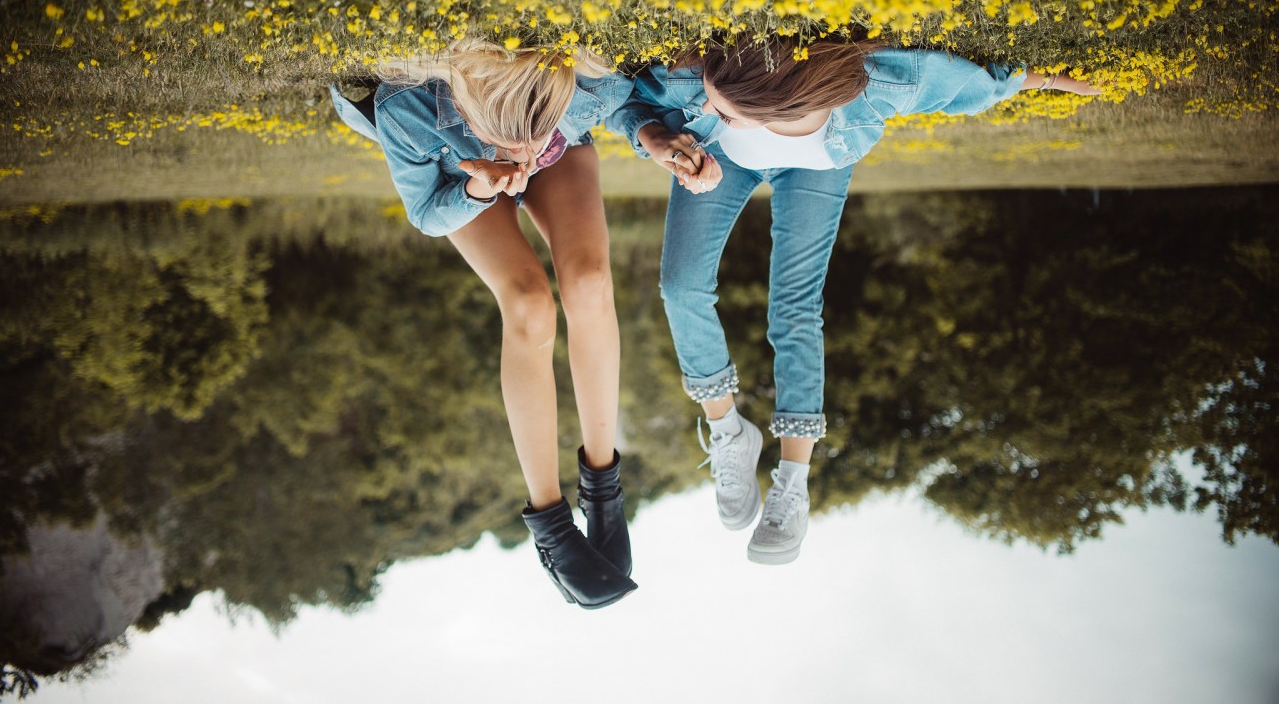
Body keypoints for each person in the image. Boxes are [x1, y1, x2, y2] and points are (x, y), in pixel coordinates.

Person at [614, 34, 1098, 564]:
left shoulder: (873, 86)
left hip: (818, 165)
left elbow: (956, 86)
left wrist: (1045, 78)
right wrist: (658, 138)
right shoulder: (715, 79)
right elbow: (629, 102)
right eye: (710, 102)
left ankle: (793, 482)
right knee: (681, 287)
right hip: (721, 162)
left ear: (776, 108)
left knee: (795, 308)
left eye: (724, 111)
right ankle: (728, 432)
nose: (704, 108)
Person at [330, 42, 637, 608]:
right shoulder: (411, 109)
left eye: (528, 141)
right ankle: (550, 523)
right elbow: (426, 213)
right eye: (509, 142)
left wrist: (654, 136)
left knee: (589, 282)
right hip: (457, 172)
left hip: (556, 136)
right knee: (528, 304)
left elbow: (629, 101)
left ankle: (603, 491)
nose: (520, 158)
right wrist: (478, 187)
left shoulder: (574, 94)